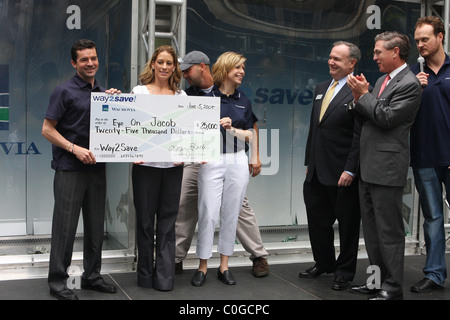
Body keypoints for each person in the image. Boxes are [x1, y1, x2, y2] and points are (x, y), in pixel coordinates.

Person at [176, 50, 269, 278]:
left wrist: (255, 156)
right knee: (185, 205)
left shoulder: (238, 97)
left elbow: (251, 127)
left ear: (202, 67)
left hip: (231, 158)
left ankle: (258, 255)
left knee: (238, 209)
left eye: (188, 70)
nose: (185, 75)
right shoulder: (190, 94)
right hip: (198, 160)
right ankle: (176, 258)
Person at [346, 31, 422, 300]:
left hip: (387, 168)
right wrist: (359, 98)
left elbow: (386, 117)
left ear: (396, 52)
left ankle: (392, 287)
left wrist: (364, 95)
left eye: (379, 52)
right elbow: (369, 114)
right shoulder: (381, 80)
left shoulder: (409, 84)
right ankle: (375, 281)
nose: (374, 56)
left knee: (389, 232)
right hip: (369, 166)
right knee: (372, 231)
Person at [42, 39, 119, 300]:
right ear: (74, 63)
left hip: (97, 168)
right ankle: (57, 281)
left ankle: (92, 276)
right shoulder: (63, 92)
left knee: (96, 225)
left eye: (94, 58)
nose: (90, 63)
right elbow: (47, 130)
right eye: (84, 59)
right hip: (69, 169)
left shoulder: (103, 93)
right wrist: (74, 148)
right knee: (65, 227)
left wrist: (119, 105)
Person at [300, 41, 362, 291]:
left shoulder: (358, 89)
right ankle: (323, 263)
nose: (331, 61)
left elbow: (360, 134)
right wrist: (309, 163)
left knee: (347, 226)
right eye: (330, 57)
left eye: (337, 58)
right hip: (316, 170)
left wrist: (351, 169)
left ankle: (344, 272)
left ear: (352, 63)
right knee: (317, 222)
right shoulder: (321, 88)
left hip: (341, 172)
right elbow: (315, 130)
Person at [191, 52, 256, 287]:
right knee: (207, 211)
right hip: (211, 159)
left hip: (238, 159)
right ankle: (202, 265)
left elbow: (250, 133)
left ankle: (224, 265)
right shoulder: (206, 96)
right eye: (237, 67)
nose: (241, 72)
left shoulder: (244, 100)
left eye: (243, 68)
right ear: (225, 69)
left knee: (231, 214)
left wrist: (232, 130)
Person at [131, 45, 186, 291]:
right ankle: (144, 275)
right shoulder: (139, 92)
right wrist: (132, 151)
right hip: (145, 167)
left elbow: (188, 132)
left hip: (173, 167)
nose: (164, 67)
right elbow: (130, 127)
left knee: (167, 222)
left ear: (174, 67)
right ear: (152, 64)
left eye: (169, 63)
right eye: (160, 62)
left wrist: (191, 152)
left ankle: (164, 277)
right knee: (144, 222)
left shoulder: (182, 97)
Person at [410, 16, 450, 293]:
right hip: (424, 158)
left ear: (440, 37)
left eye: (425, 39)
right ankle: (435, 274)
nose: (420, 45)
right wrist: (415, 89)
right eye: (417, 41)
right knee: (432, 219)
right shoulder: (413, 73)